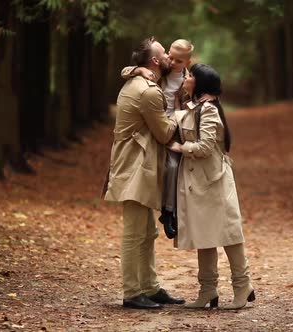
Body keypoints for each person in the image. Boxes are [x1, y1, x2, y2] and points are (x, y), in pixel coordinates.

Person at [102, 37, 185, 310]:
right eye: (164, 54)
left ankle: (150, 287)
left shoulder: (138, 81)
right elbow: (163, 133)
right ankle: (131, 292)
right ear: (153, 62)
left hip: (138, 166)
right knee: (134, 233)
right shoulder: (148, 91)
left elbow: (128, 70)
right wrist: (181, 115)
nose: (168, 59)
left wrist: (133, 69)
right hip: (135, 168)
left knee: (148, 232)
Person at [169, 64, 255, 310]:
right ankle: (208, 290)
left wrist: (181, 148)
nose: (185, 77)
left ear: (200, 84)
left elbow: (205, 146)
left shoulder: (208, 110)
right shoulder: (194, 105)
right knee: (203, 234)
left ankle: (243, 286)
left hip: (213, 180)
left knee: (229, 233)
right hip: (198, 181)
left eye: (190, 75)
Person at [120, 39, 194, 239]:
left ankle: (175, 210)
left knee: (178, 166)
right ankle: (167, 209)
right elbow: (125, 70)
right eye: (169, 55)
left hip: (178, 126)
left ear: (186, 62)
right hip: (160, 122)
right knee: (168, 165)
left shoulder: (189, 78)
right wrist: (138, 71)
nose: (171, 61)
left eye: (178, 60)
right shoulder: (160, 73)